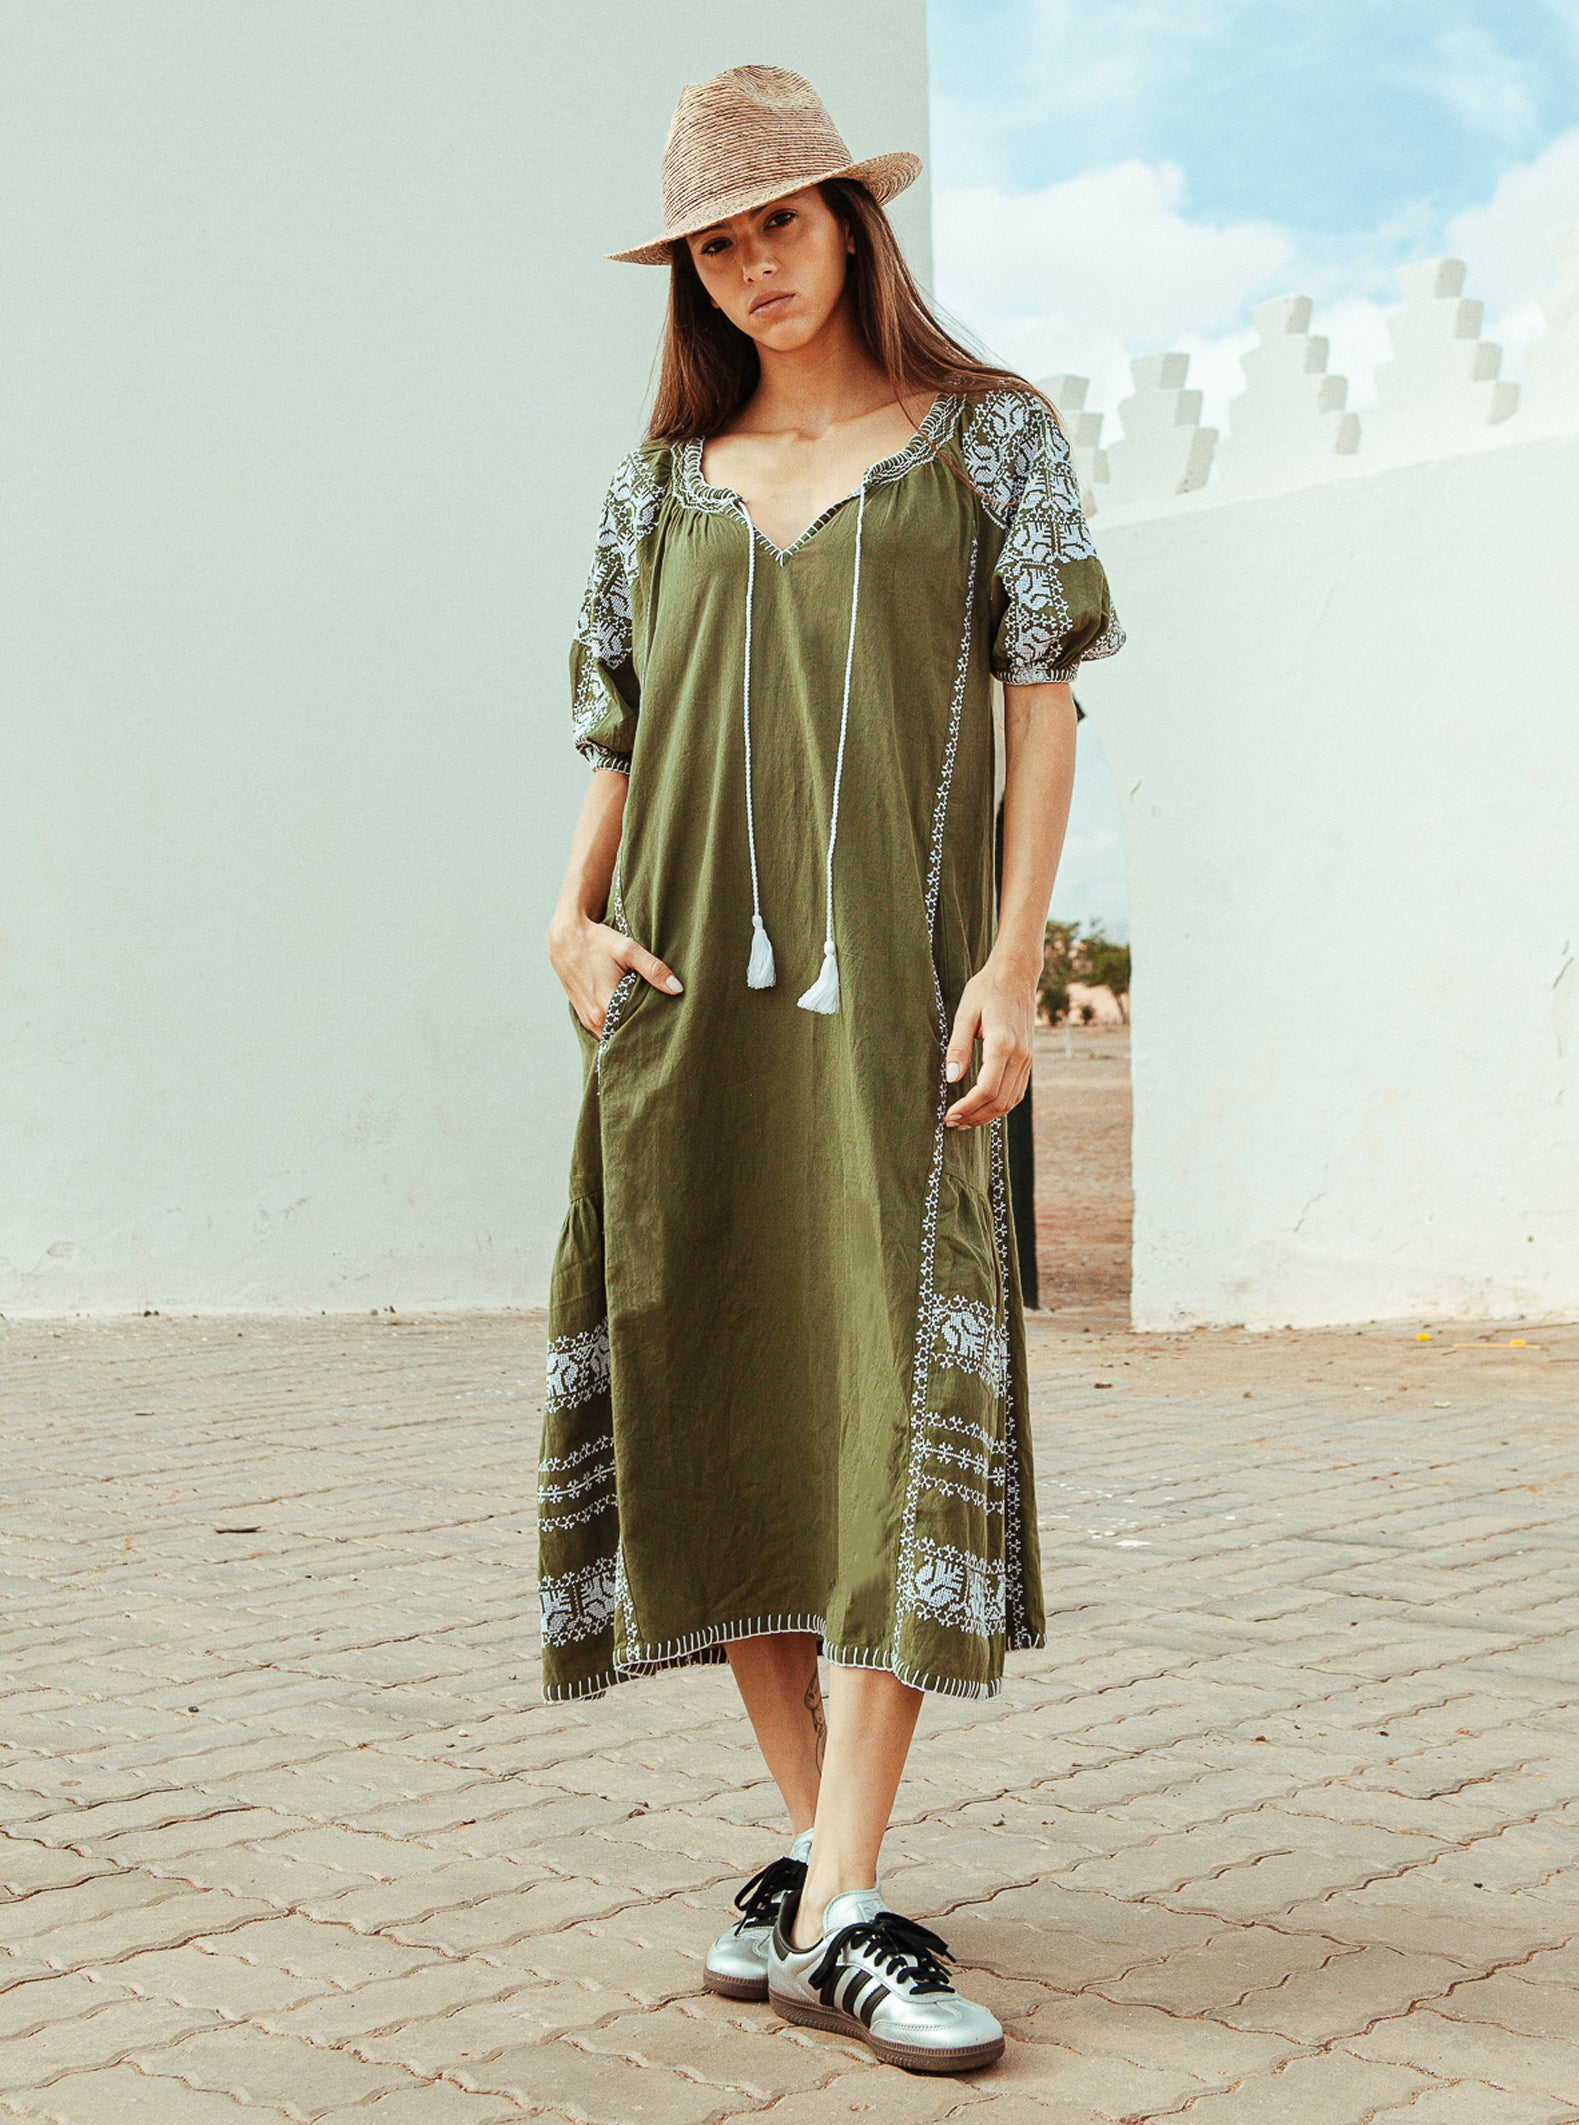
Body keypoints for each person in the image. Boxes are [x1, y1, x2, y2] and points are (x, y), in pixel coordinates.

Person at [540, 64, 1121, 2075]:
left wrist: (1008, 958)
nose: (757, 263)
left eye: (785, 221)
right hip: (675, 997)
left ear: (854, 226)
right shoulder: (657, 483)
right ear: (692, 273)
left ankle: (839, 1892)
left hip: (896, 1000)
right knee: (731, 1392)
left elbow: (1037, 697)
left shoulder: (983, 442)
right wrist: (565, 916)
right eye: (721, 240)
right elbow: (615, 727)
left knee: (888, 1388)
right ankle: (828, 1865)